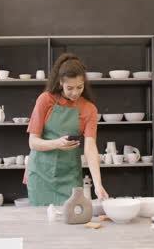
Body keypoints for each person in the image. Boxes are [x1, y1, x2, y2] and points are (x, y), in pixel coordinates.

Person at [22, 53, 109, 206]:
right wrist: (56, 143)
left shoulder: (89, 109)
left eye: (79, 87)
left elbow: (90, 148)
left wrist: (98, 184)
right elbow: (33, 142)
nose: (75, 92)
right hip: (41, 175)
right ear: (61, 82)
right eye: (70, 88)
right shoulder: (45, 100)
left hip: (69, 176)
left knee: (71, 222)